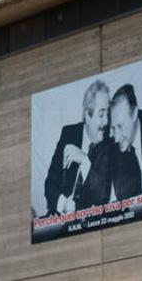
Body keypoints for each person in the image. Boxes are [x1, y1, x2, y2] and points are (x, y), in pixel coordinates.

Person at [43, 80, 111, 215]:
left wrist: (84, 161)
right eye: (101, 114)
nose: (106, 121)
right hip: (61, 220)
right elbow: (50, 184)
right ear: (87, 114)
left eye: (108, 114)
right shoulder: (69, 134)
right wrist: (63, 205)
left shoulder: (110, 145)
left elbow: (103, 195)